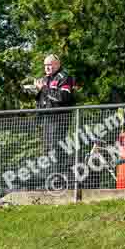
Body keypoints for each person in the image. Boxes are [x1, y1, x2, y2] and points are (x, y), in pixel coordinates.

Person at [35, 54, 76, 185]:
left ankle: (59, 180)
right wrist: (36, 91)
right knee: (47, 150)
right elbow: (43, 99)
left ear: (57, 64)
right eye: (45, 65)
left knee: (56, 148)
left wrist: (44, 89)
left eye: (50, 65)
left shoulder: (64, 77)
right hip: (46, 119)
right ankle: (51, 179)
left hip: (59, 118)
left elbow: (62, 97)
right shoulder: (45, 79)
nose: (47, 68)